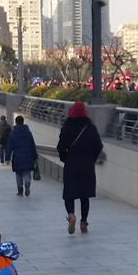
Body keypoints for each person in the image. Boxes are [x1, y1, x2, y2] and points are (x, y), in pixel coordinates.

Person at [57, 101, 104, 235]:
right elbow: (99, 146)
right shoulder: (90, 127)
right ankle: (84, 222)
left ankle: (71, 215)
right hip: (87, 166)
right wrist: (92, 159)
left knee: (69, 194)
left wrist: (65, 158)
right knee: (85, 196)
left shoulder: (67, 126)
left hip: (71, 164)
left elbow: (60, 147)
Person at [6, 115, 39, 196]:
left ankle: (20, 190)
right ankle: (27, 183)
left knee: (18, 174)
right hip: (28, 157)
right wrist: (35, 157)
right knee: (27, 173)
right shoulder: (28, 133)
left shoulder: (13, 133)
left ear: (16, 122)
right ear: (23, 122)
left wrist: (7, 157)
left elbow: (9, 146)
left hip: (17, 158)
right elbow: (32, 145)